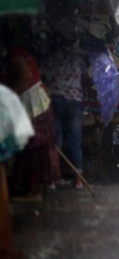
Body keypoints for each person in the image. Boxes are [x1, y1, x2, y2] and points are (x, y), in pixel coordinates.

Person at [7, 46, 60, 201]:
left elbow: (26, 76)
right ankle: (31, 188)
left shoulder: (16, 55)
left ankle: (34, 192)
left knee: (35, 148)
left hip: (33, 104)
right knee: (35, 148)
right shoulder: (20, 53)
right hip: (37, 101)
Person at [40, 47, 88, 189]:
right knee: (75, 141)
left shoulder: (49, 59)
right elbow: (85, 80)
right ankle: (79, 180)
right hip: (75, 103)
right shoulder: (78, 60)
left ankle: (53, 179)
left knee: (55, 142)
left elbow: (41, 78)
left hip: (55, 101)